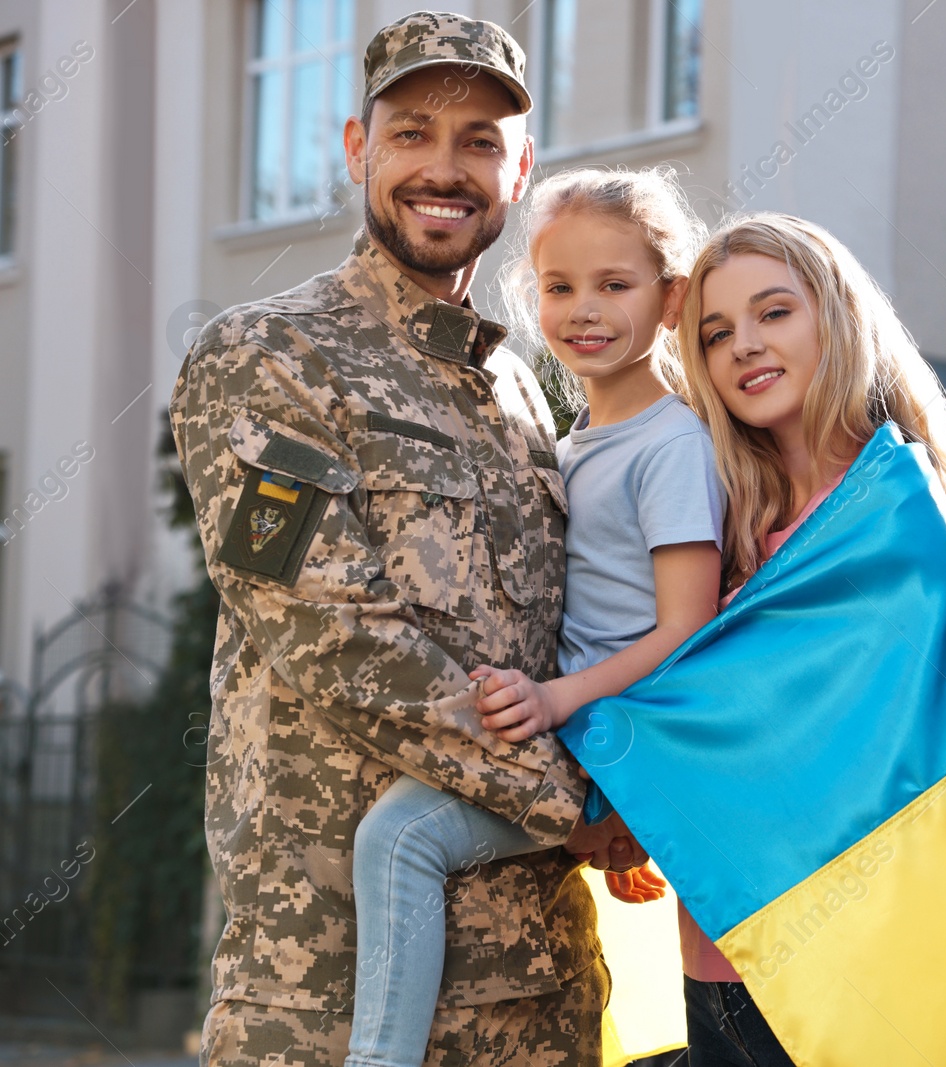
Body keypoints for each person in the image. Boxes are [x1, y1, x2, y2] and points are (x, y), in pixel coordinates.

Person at [171, 13, 642, 1066]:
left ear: (518, 170)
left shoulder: (525, 392)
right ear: (356, 149)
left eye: (480, 140)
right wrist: (579, 808)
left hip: (540, 998)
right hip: (330, 1000)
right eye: (413, 132)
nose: (446, 166)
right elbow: (327, 630)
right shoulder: (269, 356)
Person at [344, 165, 724, 1067]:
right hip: (582, 738)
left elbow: (687, 630)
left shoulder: (672, 445)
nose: (583, 309)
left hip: (613, 743)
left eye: (614, 285)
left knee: (400, 837)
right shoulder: (577, 440)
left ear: (670, 300)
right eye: (559, 287)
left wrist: (555, 703)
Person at [666, 213, 946, 1065]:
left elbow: (903, 734)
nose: (744, 346)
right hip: (721, 937)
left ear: (839, 316)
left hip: (871, 942)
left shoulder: (911, 510)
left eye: (774, 312)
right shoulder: (719, 512)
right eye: (716, 333)